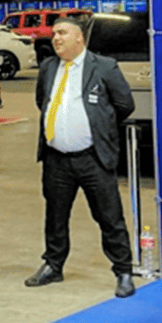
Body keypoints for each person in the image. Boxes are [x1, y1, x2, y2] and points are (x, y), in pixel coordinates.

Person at [26, 17, 137, 298]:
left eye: (63, 33)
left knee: (109, 217)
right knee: (55, 216)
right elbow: (42, 101)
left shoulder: (104, 66)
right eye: (54, 33)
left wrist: (100, 126)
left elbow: (124, 104)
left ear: (79, 37)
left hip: (93, 158)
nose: (56, 38)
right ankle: (53, 265)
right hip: (56, 159)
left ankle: (123, 270)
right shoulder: (49, 67)